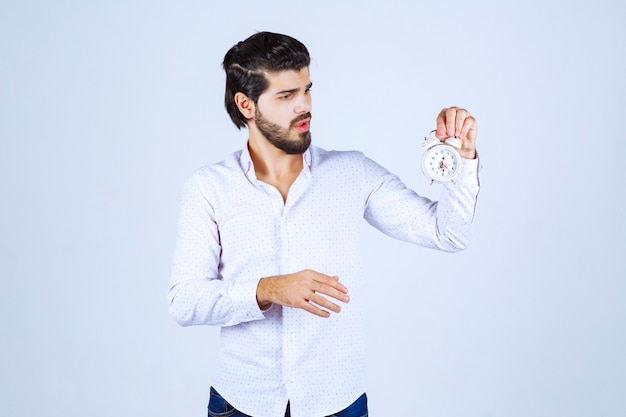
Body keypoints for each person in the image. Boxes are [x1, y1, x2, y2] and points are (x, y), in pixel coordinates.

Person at [168, 31, 481, 417]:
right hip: (241, 402)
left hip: (336, 401)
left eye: (307, 90)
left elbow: (447, 233)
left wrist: (461, 159)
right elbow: (184, 301)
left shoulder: (352, 173)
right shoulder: (209, 187)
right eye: (286, 96)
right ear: (246, 104)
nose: (304, 106)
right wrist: (268, 289)